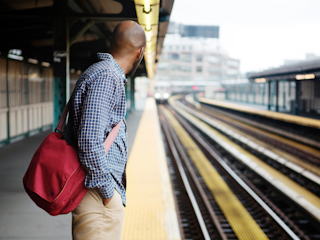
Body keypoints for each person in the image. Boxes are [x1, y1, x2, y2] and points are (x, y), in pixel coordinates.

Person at [65, 21, 146, 240]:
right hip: (96, 195)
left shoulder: (104, 74)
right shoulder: (107, 76)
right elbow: (90, 139)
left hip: (96, 193)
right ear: (140, 52)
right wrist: (108, 192)